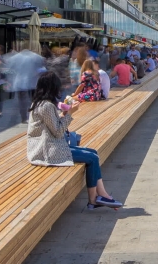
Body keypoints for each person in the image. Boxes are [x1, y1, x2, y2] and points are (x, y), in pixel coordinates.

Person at [26, 72, 122, 208]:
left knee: (93, 153)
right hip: (47, 151)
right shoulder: (46, 106)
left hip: (48, 146)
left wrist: (64, 114)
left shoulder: (40, 104)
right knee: (92, 158)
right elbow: (58, 132)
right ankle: (94, 199)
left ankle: (101, 195)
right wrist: (70, 114)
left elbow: (52, 125)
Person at [5, 47, 45, 123]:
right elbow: (42, 66)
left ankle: (23, 118)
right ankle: (35, 115)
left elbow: (9, 67)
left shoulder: (16, 57)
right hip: (33, 81)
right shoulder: (34, 56)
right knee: (34, 99)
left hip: (20, 82)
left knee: (22, 101)